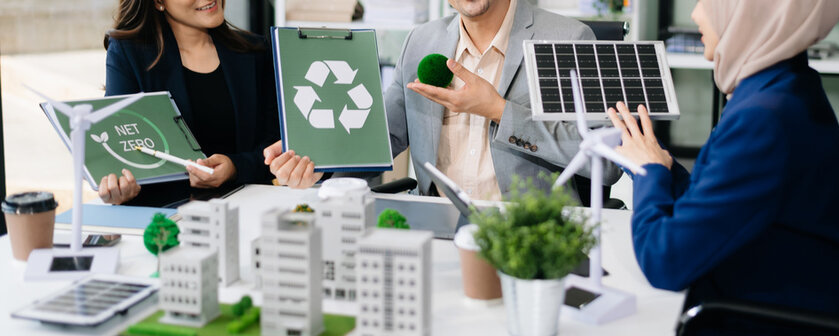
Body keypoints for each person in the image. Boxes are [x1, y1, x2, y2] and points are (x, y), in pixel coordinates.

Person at [607, 0, 839, 336]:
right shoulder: (785, 84)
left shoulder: (763, 118)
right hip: (793, 298)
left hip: (783, 331)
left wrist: (650, 171)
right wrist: (662, 164)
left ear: (749, 11)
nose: (695, 14)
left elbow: (665, 262)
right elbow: (726, 203)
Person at [264, 0, 622, 200]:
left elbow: (607, 163)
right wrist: (313, 156)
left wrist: (497, 110)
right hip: (437, 227)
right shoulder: (420, 41)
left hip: (528, 232)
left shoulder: (569, 39)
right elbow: (378, 139)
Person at [101, 0, 278, 206]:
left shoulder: (255, 51)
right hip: (162, 220)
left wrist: (235, 167)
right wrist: (119, 186)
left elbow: (276, 144)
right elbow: (119, 153)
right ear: (158, 2)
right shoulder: (128, 53)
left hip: (244, 209)